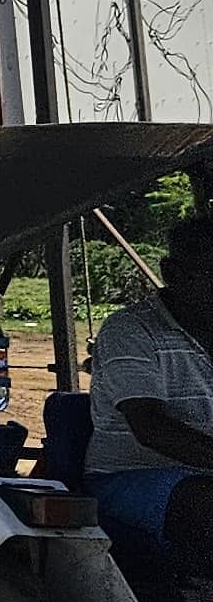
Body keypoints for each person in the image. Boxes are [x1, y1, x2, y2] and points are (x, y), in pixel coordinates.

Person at [86, 209, 213, 576]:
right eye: (208, 274)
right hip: (128, 478)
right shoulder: (131, 330)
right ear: (172, 273)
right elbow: (150, 427)